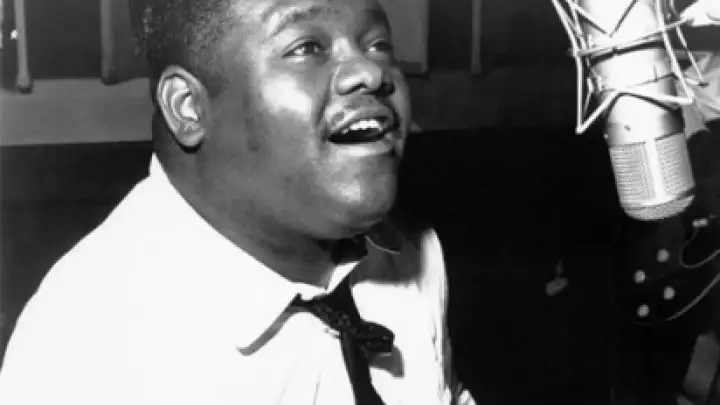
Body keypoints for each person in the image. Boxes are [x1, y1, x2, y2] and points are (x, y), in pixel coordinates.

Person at [0, 0, 474, 404]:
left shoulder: (408, 251)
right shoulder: (87, 356)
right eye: (306, 47)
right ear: (188, 107)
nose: (371, 71)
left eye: (378, 44)